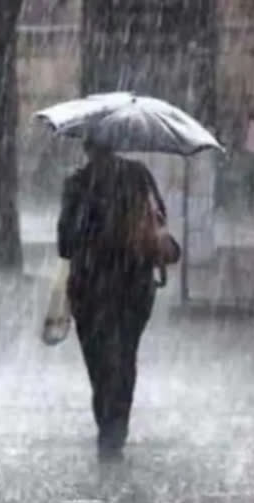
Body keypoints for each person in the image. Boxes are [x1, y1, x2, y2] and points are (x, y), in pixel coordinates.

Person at [57, 138, 173, 462]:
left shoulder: (77, 184)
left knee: (99, 364)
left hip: (90, 289)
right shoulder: (139, 175)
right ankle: (116, 429)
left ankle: (107, 428)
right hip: (134, 286)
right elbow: (160, 218)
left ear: (87, 146)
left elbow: (65, 244)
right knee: (125, 357)